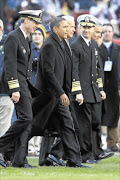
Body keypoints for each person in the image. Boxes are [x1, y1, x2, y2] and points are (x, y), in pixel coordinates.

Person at [31, 16, 89, 168]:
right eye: (67, 26)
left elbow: (68, 72)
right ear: (56, 28)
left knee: (66, 126)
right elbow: (49, 72)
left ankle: (65, 159)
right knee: (30, 126)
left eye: (70, 26)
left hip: (59, 95)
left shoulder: (62, 43)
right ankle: (9, 152)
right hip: (50, 95)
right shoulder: (51, 45)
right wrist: (61, 93)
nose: (71, 29)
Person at [0, 10, 42, 168]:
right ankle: (3, 148)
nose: (36, 26)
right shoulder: (13, 36)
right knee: (26, 118)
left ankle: (16, 157)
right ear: (26, 20)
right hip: (17, 85)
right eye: (35, 22)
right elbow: (9, 64)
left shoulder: (25, 37)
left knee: (25, 120)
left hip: (24, 85)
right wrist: (14, 88)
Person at [71, 14, 114, 163]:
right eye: (84, 27)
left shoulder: (94, 45)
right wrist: (77, 92)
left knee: (95, 122)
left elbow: (97, 69)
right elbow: (73, 71)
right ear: (80, 28)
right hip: (82, 92)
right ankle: (86, 154)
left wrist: (101, 88)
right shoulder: (75, 45)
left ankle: (97, 151)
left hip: (94, 91)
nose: (87, 30)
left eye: (89, 27)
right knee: (84, 125)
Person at [99, 23, 120, 152]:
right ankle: (97, 143)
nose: (107, 33)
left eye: (109, 31)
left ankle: (112, 142)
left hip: (114, 86)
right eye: (105, 31)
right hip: (100, 86)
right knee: (98, 114)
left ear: (113, 33)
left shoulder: (118, 49)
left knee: (114, 113)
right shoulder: (97, 47)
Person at [28, 24, 46, 156]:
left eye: (39, 34)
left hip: (42, 88)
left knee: (41, 117)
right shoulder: (29, 49)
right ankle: (30, 145)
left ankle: (38, 144)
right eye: (35, 34)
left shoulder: (46, 49)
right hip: (31, 86)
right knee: (29, 116)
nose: (37, 36)